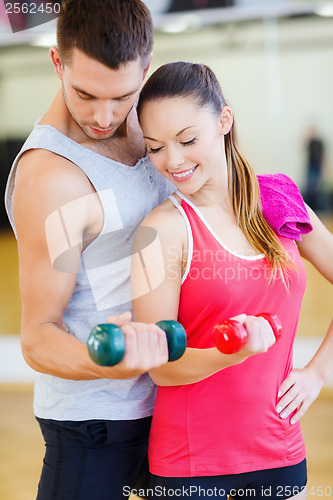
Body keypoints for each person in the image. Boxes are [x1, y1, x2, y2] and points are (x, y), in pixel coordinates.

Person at [131, 61, 333, 500]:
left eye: (187, 140)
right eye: (155, 148)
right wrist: (232, 353)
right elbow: (161, 367)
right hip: (188, 463)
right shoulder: (161, 229)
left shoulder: (278, 198)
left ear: (224, 120)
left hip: (279, 450)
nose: (174, 161)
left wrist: (319, 372)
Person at [4, 1, 175, 499]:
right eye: (85, 94)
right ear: (58, 63)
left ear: (146, 66)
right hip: (97, 424)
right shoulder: (52, 178)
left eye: (122, 95)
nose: (104, 116)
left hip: (172, 402)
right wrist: (110, 362)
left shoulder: (148, 123)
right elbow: (38, 336)